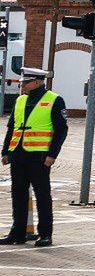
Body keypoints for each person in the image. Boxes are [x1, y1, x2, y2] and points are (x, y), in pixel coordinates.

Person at [3, 67, 66, 247]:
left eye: (26, 82)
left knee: (42, 195)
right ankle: (18, 233)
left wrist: (52, 154)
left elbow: (61, 130)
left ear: (37, 82)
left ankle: (45, 234)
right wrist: (6, 151)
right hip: (18, 155)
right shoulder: (20, 100)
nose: (22, 86)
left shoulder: (54, 100)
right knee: (18, 195)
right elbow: (12, 127)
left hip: (39, 157)